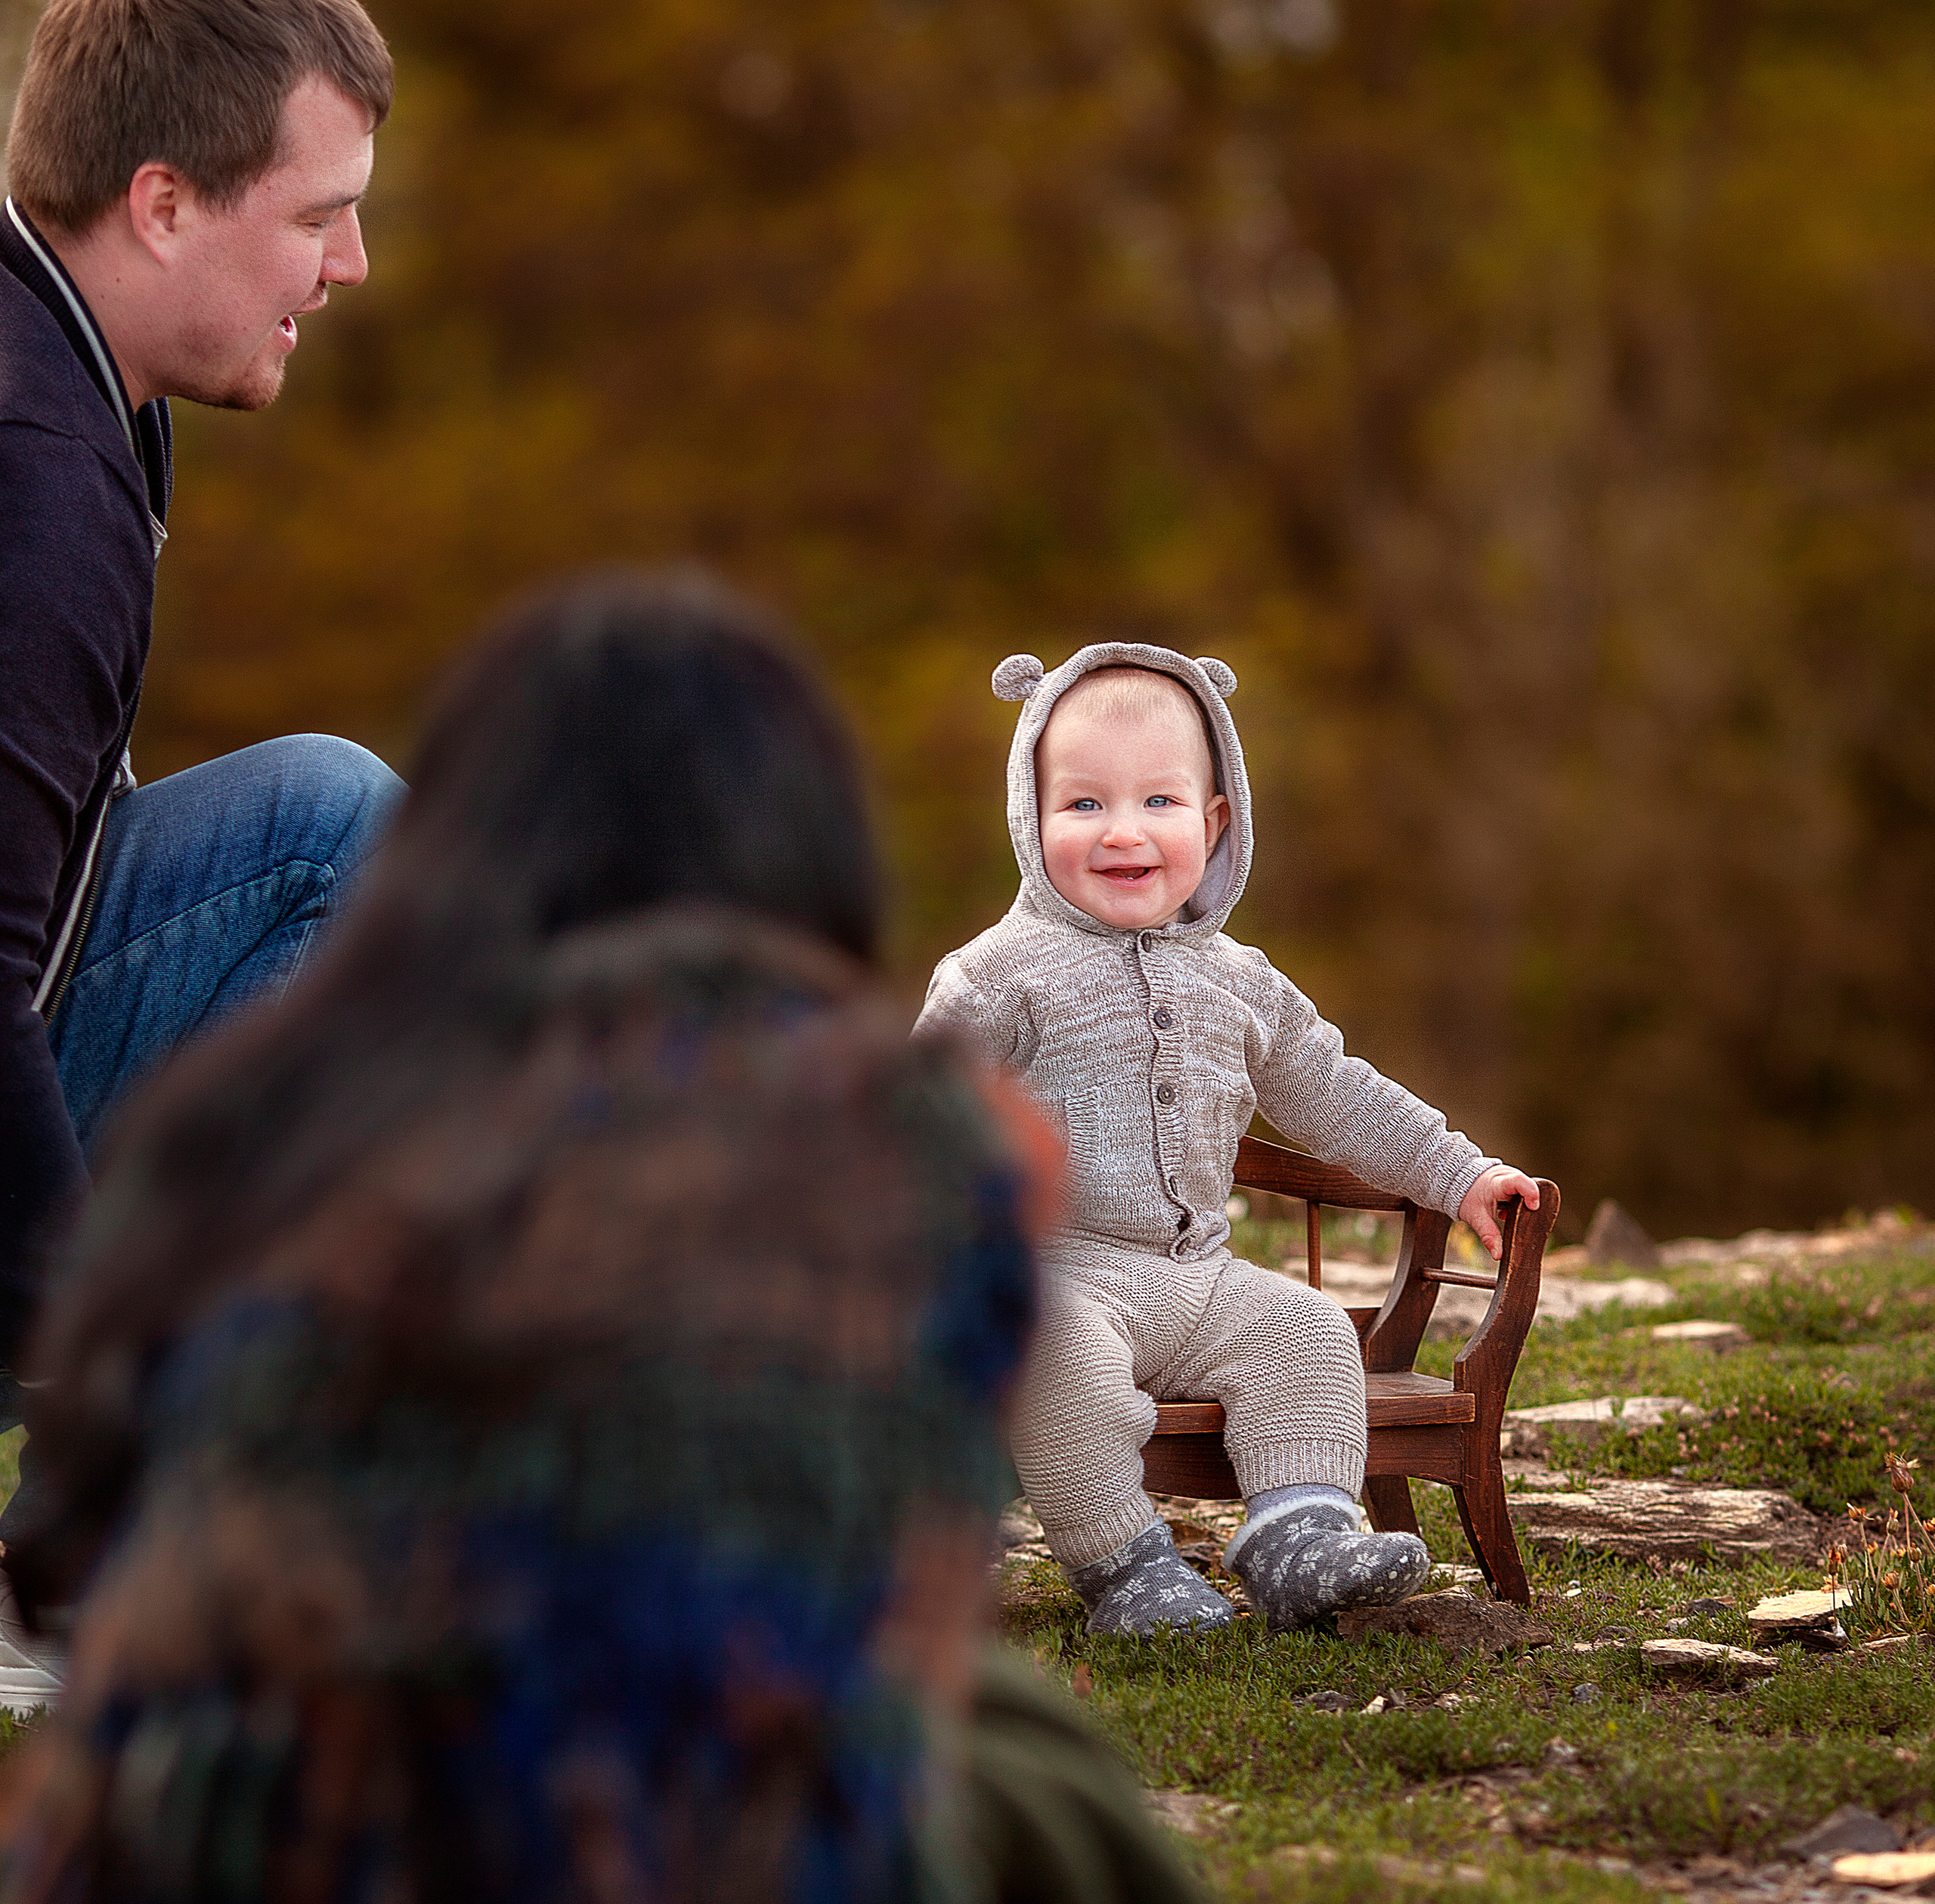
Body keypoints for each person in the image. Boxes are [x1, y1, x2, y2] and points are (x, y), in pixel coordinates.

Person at [0, 573, 1202, 1904]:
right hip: (692, 1837)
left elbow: (74, 1527)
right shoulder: (927, 1143)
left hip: (203, 1841)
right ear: (812, 844)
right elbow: (909, 1598)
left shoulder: (250, 1103)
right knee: (1022, 1750)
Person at [0, 0, 404, 1518]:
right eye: (319, 215)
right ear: (163, 203)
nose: (351, 264)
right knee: (332, 835)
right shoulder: (38, 483)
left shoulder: (65, 367)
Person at [913, 644, 1543, 1636]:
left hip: (1199, 1282)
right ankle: (1126, 1568)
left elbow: (1335, 1094)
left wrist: (1457, 1172)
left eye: (1159, 803)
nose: (1123, 832)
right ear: (1030, 823)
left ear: (1216, 823)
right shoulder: (1003, 972)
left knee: (1305, 1331)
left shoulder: (1241, 980)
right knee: (1051, 1344)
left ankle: (1301, 1539)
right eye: (1082, 806)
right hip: (1058, 1271)